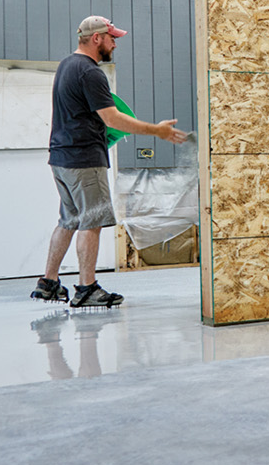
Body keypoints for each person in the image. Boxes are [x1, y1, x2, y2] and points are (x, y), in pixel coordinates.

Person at [31, 15, 190, 308]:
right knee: (90, 222)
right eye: (112, 38)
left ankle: (48, 283)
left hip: (61, 157)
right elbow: (112, 118)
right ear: (97, 38)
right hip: (83, 160)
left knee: (69, 220)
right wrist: (156, 131)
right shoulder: (90, 72)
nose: (115, 44)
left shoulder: (66, 65)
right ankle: (86, 288)